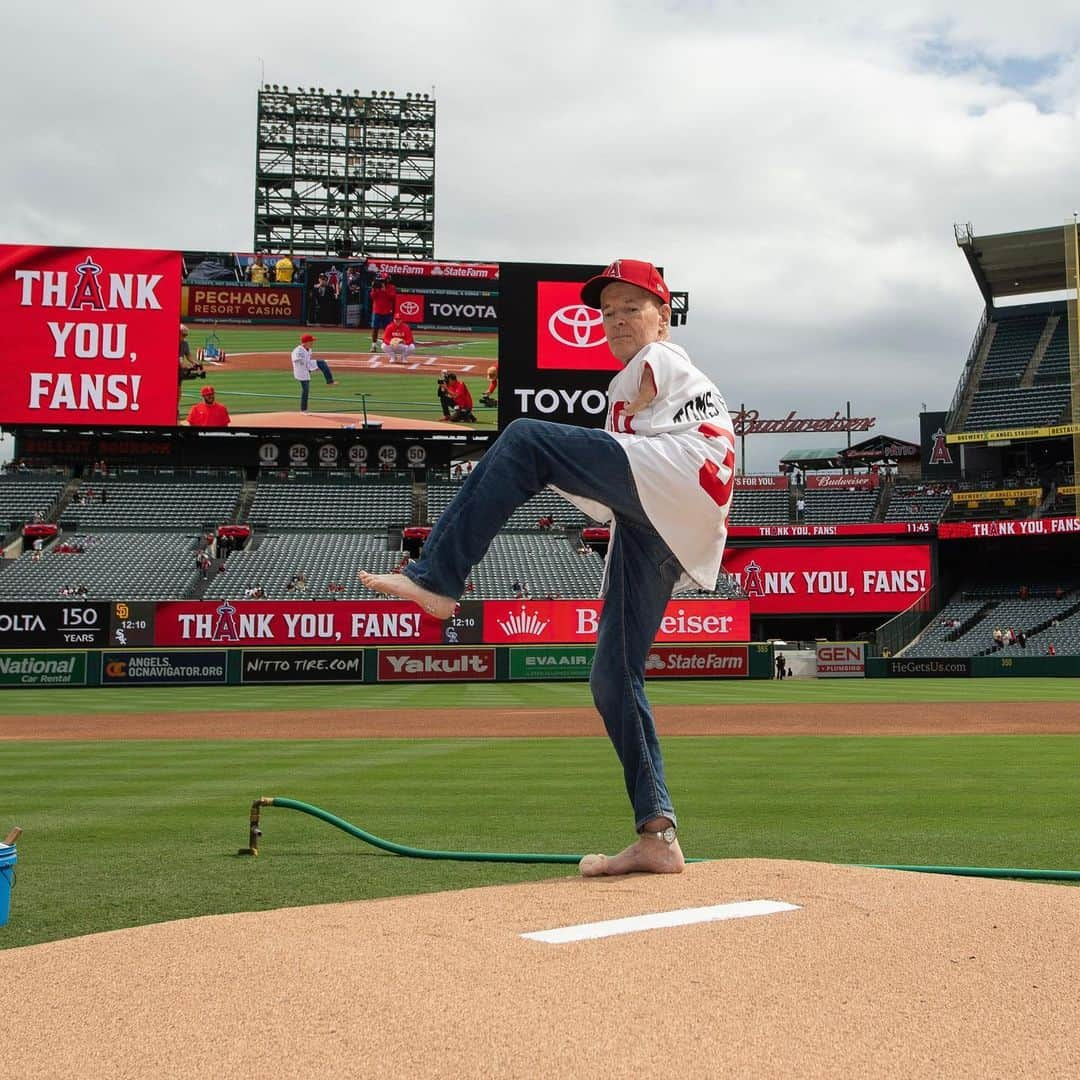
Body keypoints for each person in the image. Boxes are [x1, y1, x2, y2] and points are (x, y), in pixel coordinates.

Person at [360, 258, 735, 878]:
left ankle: (436, 579)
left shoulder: (660, 362)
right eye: (608, 313)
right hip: (667, 516)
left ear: (664, 320)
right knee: (613, 679)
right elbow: (605, 472)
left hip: (673, 479)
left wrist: (525, 469)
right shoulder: (652, 390)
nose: (617, 321)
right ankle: (657, 835)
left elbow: (639, 396)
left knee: (526, 438)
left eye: (632, 309)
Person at [290, 333, 335, 411]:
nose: (312, 343)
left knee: (322, 363)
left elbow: (308, 359)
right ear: (306, 342)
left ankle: (330, 381)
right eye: (311, 341)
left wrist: (313, 367)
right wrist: (308, 366)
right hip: (300, 371)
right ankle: (303, 410)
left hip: (308, 366)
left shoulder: (309, 349)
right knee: (306, 389)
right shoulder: (297, 350)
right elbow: (295, 360)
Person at [369, 273, 397, 348]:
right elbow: (372, 296)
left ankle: (387, 344)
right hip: (377, 311)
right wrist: (374, 289)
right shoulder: (376, 287)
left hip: (387, 311)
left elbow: (392, 298)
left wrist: (384, 290)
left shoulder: (392, 287)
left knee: (387, 329)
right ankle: (373, 345)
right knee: (375, 328)